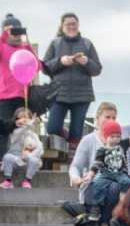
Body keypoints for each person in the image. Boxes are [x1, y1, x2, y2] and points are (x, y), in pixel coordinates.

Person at [69, 102, 130, 217]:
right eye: (107, 117)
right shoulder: (88, 140)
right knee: (111, 187)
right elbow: (76, 166)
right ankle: (103, 219)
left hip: (122, 181)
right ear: (97, 118)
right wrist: (75, 178)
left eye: (114, 118)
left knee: (123, 186)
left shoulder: (122, 133)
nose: (111, 120)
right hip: (99, 184)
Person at [41, 12, 101, 149]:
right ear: (62, 26)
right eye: (68, 24)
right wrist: (60, 61)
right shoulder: (55, 44)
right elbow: (44, 68)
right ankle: (65, 138)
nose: (71, 26)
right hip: (59, 94)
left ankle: (72, 160)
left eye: (74, 24)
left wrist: (86, 62)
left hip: (82, 95)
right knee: (52, 128)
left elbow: (97, 69)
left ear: (78, 25)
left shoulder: (87, 44)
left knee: (77, 132)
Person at [0, 14, 37, 161]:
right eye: (12, 32)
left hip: (22, 95)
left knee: (22, 130)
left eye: (18, 31)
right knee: (2, 130)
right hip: (4, 96)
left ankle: (22, 158)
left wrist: (27, 42)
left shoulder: (24, 48)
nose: (16, 35)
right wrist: (2, 37)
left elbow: (36, 65)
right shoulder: (1, 47)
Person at [87, 120, 130, 224]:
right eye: (112, 136)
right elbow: (97, 163)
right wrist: (91, 174)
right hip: (106, 174)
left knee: (128, 182)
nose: (115, 139)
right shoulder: (102, 150)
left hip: (120, 173)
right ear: (106, 137)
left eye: (118, 136)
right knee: (97, 185)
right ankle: (96, 207)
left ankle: (124, 203)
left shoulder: (122, 145)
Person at [0, 108, 43, 190]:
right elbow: (18, 134)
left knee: (35, 160)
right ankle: (8, 180)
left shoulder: (33, 135)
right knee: (7, 157)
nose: (23, 120)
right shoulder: (14, 132)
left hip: (27, 162)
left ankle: (27, 180)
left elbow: (40, 149)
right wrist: (29, 124)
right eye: (19, 118)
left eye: (25, 117)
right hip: (15, 160)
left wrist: (29, 156)